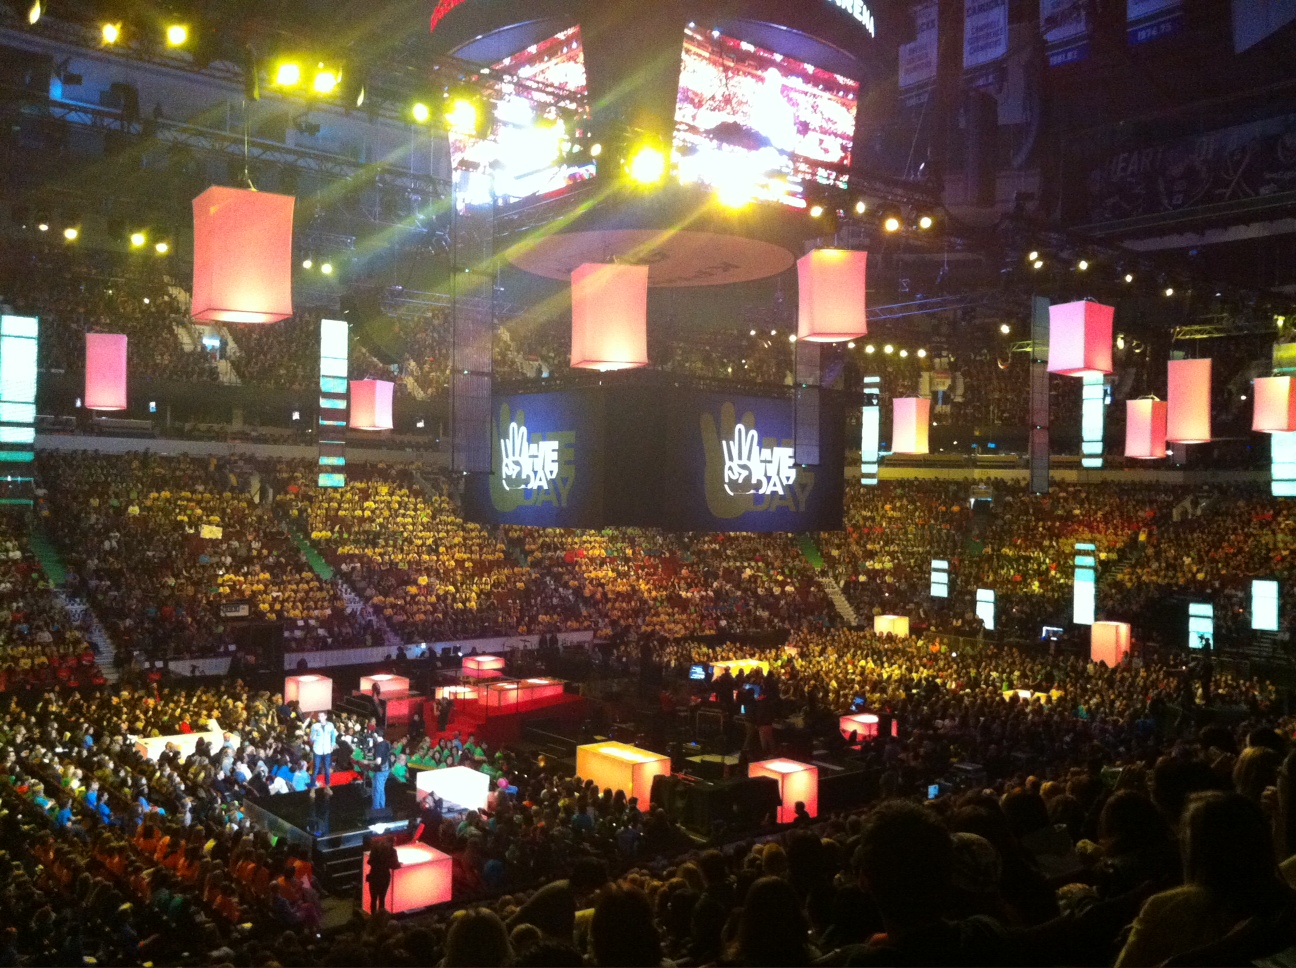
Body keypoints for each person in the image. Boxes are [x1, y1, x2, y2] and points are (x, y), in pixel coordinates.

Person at [366, 835, 401, 915]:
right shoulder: (392, 851)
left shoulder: (375, 849)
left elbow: (369, 862)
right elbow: (394, 865)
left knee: (373, 899)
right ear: (393, 842)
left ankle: (373, 917)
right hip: (384, 876)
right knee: (382, 899)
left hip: (374, 875)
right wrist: (398, 864)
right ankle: (381, 918)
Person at [309, 711, 337, 793]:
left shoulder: (330, 725)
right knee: (315, 769)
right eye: (318, 716)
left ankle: (327, 786)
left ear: (325, 717)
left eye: (321, 716)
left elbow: (333, 735)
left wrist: (332, 745)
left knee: (327, 769)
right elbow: (311, 739)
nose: (319, 718)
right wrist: (314, 734)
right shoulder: (315, 726)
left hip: (327, 750)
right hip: (317, 750)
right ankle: (312, 788)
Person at [371, 730, 392, 812]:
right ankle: (381, 806)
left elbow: (378, 761)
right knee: (381, 789)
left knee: (377, 789)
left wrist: (368, 761)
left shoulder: (379, 746)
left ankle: (376, 809)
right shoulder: (386, 743)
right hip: (386, 769)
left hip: (381, 770)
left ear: (376, 735)